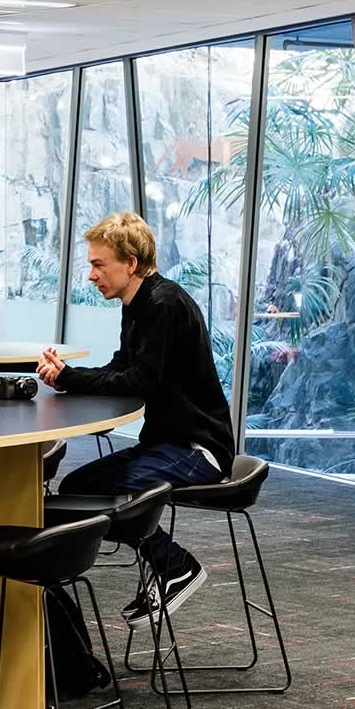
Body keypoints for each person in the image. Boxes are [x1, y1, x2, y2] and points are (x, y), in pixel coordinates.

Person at [39, 211, 235, 629]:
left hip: (198, 448)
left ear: (130, 263)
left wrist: (72, 378)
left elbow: (141, 380)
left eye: (98, 264)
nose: (91, 275)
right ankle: (168, 564)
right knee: (78, 489)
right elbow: (123, 366)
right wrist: (66, 378)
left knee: (113, 491)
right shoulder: (139, 302)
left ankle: (175, 565)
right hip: (166, 442)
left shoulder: (162, 305)